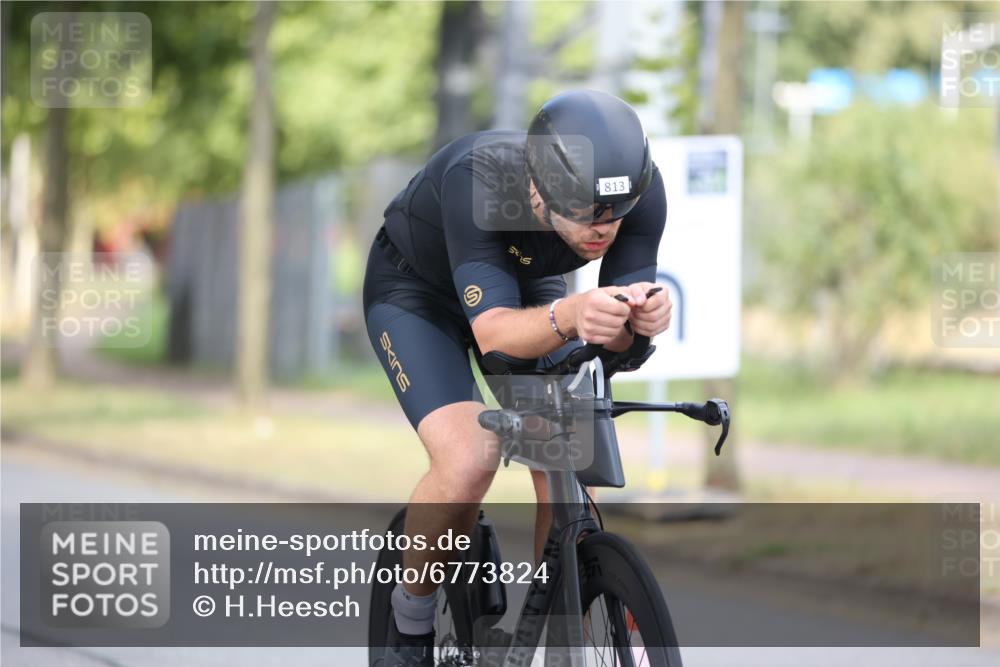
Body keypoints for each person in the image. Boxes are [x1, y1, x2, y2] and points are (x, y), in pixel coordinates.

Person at [364, 89, 672, 666]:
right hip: (417, 293)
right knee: (469, 458)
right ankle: (409, 626)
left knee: (570, 454)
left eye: (616, 211)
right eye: (586, 211)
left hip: (526, 285)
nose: (604, 227)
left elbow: (616, 343)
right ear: (537, 189)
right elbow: (495, 334)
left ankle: (563, 642)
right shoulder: (479, 180)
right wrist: (573, 315)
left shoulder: (637, 193)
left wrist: (639, 323)